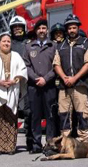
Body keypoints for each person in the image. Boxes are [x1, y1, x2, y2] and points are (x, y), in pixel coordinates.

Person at [0, 31, 27, 154]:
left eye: (8, 41)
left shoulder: (16, 56)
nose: (6, 43)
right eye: (4, 41)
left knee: (10, 118)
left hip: (12, 88)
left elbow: (22, 70)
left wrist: (14, 80)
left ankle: (9, 147)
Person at [54, 15, 88, 142]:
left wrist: (74, 78)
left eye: (74, 27)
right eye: (70, 28)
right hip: (64, 86)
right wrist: (65, 78)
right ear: (67, 29)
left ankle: (84, 141)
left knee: (83, 114)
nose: (72, 30)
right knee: (63, 114)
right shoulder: (60, 46)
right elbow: (56, 64)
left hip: (80, 85)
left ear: (78, 28)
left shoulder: (85, 43)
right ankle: (65, 141)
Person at [25, 19, 58, 153]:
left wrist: (46, 78)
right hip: (34, 86)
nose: (42, 30)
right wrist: (35, 78)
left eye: (44, 28)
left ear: (47, 30)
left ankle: (50, 144)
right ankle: (36, 144)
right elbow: (26, 65)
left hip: (49, 86)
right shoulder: (29, 47)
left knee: (50, 116)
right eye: (39, 28)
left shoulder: (54, 46)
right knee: (35, 116)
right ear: (36, 31)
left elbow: (57, 66)